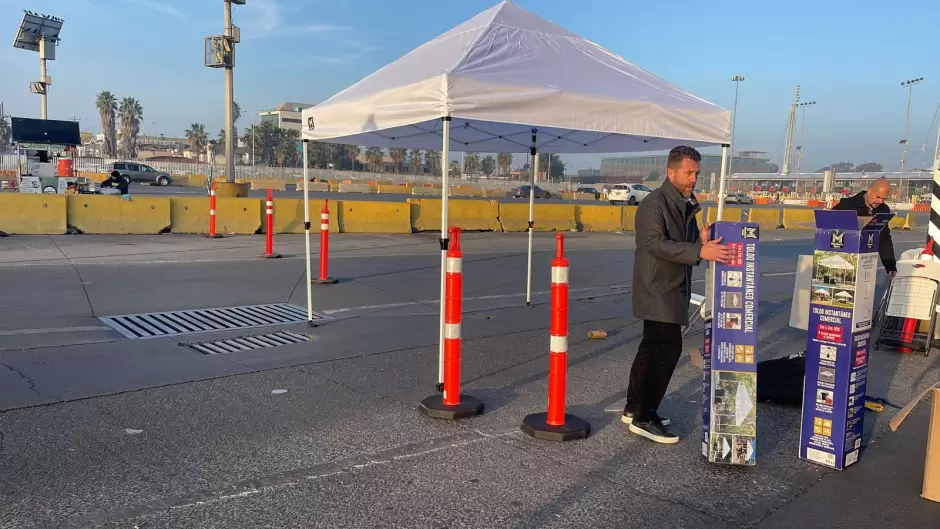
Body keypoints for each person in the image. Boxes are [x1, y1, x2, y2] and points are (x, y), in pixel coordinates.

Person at [624, 146, 731, 444]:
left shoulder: (685, 202)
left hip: (672, 286)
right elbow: (654, 243)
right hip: (657, 287)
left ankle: (634, 407)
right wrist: (700, 251)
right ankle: (645, 417)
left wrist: (701, 240)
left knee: (650, 348)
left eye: (697, 173)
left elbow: (682, 241)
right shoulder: (653, 204)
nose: (694, 178)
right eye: (689, 172)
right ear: (671, 172)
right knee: (666, 350)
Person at [831, 178, 896, 277]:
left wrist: (890, 266)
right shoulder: (847, 205)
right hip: (844, 259)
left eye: (884, 198)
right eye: (878, 197)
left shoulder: (884, 209)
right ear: (869, 191)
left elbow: (884, 238)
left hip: (866, 262)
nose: (880, 201)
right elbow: (829, 227)